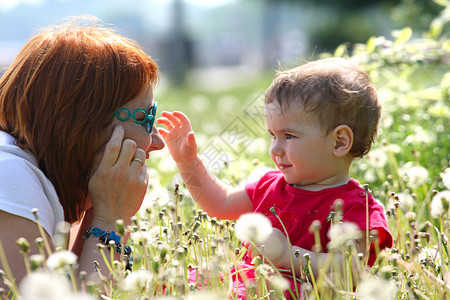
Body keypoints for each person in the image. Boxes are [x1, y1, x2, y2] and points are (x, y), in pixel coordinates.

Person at [157, 57, 393, 298]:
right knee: (181, 279)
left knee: (264, 289)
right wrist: (187, 162)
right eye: (273, 135)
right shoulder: (269, 186)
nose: (275, 149)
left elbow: (350, 270)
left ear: (339, 141)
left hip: (292, 290)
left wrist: (286, 256)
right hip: (243, 279)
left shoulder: (359, 210)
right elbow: (219, 203)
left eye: (288, 136)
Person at [0, 15, 165, 289]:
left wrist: (102, 210)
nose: (157, 141)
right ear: (85, 123)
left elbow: (71, 288)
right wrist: (111, 218)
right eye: (145, 118)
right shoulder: (9, 176)